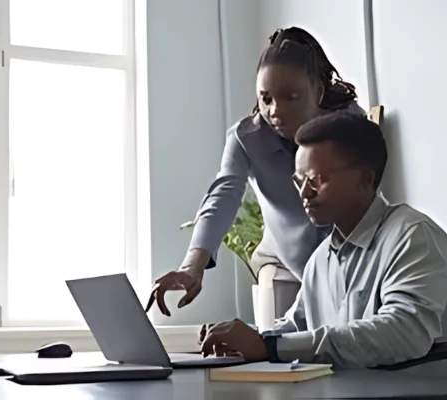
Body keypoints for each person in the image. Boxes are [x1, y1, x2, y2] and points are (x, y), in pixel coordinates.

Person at [200, 112, 447, 368]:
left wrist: (270, 347)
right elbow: (297, 328)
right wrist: (244, 340)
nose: (305, 193)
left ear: (365, 179)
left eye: (317, 180)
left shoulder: (412, 236)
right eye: (299, 181)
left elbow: (404, 333)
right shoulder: (321, 258)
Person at [146, 27, 362, 317]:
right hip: (285, 265)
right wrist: (192, 266)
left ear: (318, 92)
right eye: (266, 98)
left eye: (291, 96)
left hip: (349, 264)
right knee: (278, 349)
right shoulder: (246, 138)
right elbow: (222, 197)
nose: (275, 111)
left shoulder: (350, 125)